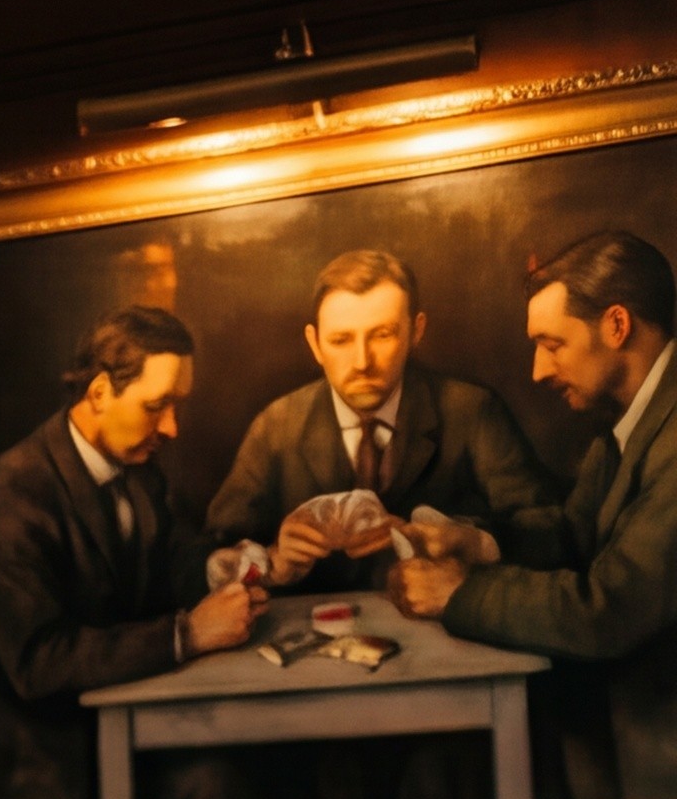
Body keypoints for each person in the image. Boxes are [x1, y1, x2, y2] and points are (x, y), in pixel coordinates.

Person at [0, 303, 257, 799]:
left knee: (244, 777)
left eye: (177, 405)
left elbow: (169, 560)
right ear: (99, 393)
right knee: (219, 789)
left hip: (95, 733)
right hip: (14, 771)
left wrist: (230, 568)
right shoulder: (9, 499)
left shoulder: (134, 467)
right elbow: (40, 662)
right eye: (157, 406)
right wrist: (187, 634)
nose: (172, 426)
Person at [397, 229, 677, 799]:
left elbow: (611, 609)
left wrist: (461, 594)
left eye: (552, 344)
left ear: (617, 326)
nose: (537, 371)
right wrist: (479, 543)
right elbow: (574, 535)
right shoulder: (629, 424)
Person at [200, 247, 559, 591]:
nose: (361, 362)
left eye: (382, 335)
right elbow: (212, 553)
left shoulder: (472, 410)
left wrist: (472, 541)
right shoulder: (277, 426)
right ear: (314, 344)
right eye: (340, 340)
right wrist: (271, 561)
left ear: (416, 331)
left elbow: (549, 530)